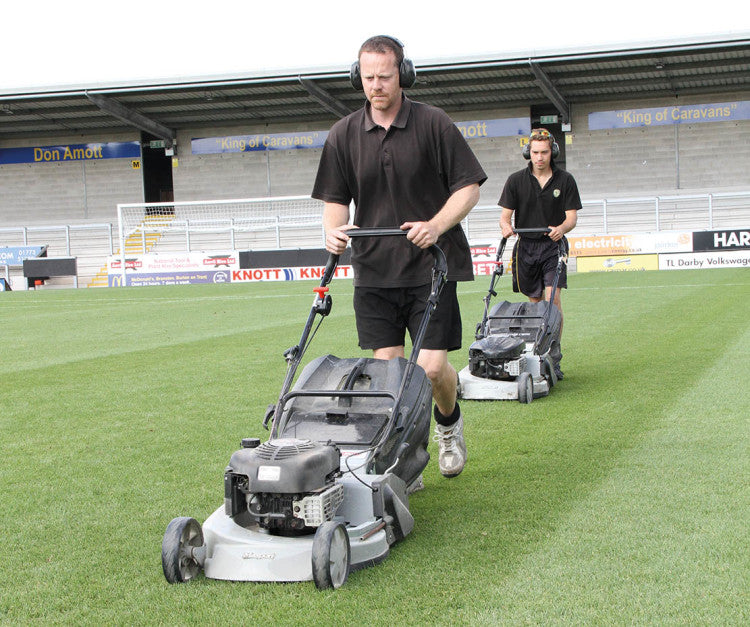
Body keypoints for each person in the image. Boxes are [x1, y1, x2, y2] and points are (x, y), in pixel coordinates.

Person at [312, 35, 487, 479]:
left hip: (431, 267)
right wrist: (333, 231)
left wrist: (436, 225)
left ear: (403, 75)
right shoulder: (344, 134)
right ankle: (405, 457)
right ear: (357, 77)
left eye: (384, 77)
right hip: (374, 269)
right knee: (389, 375)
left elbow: (468, 187)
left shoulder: (433, 124)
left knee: (430, 369)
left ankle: (449, 425)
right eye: (367, 77)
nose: (376, 86)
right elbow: (335, 198)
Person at [498, 128, 581, 379]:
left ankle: (554, 355)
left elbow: (571, 217)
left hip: (552, 246)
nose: (540, 157)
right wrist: (506, 228)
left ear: (552, 152)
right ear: (528, 153)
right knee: (535, 305)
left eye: (544, 152)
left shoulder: (565, 180)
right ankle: (537, 353)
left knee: (552, 301)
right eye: (535, 152)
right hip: (525, 246)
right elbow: (505, 216)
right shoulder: (515, 181)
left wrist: (562, 228)